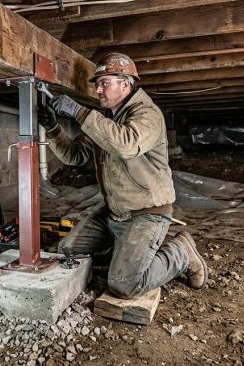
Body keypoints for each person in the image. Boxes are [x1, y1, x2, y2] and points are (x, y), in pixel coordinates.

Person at [38, 52, 209, 299]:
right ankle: (130, 253)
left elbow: (126, 144)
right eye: (97, 84)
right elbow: (75, 155)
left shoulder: (147, 114)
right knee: (67, 251)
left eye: (105, 83)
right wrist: (53, 128)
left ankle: (180, 252)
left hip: (147, 214)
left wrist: (80, 112)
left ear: (126, 84)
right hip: (113, 214)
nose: (98, 90)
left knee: (124, 285)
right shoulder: (105, 119)